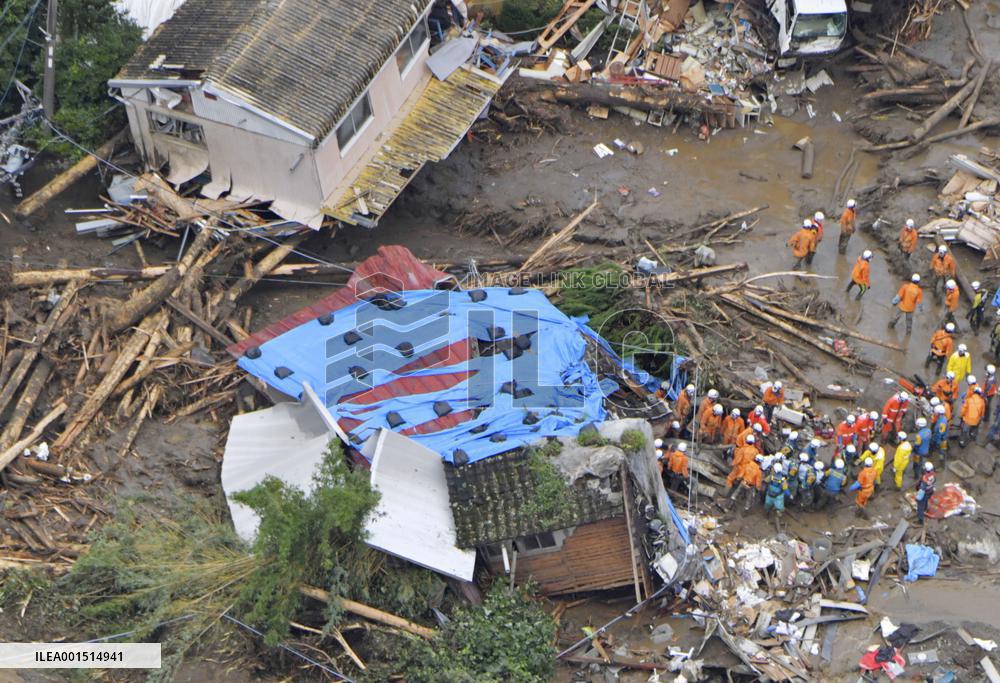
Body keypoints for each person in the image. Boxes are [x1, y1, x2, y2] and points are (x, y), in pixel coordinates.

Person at [763, 463, 789, 527]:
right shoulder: (783, 480)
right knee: (780, 508)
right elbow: (786, 490)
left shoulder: (770, 477)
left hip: (769, 495)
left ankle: (766, 515)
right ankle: (777, 517)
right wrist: (790, 495)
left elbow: (764, 482)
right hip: (778, 497)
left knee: (767, 505)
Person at [915, 461, 936, 525]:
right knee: (925, 501)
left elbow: (922, 490)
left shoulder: (925, 478)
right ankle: (925, 508)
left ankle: (920, 520)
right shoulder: (933, 475)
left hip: (925, 492)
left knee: (920, 506)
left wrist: (918, 498)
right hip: (930, 491)